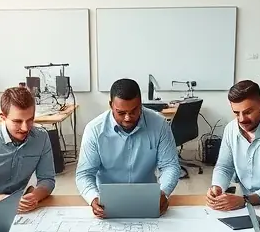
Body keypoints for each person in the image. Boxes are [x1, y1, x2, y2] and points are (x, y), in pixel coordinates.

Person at [76, 78, 181, 218]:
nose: (127, 118)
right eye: (121, 112)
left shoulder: (159, 124)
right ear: (111, 105)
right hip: (107, 203)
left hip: (148, 201)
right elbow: (85, 173)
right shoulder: (94, 130)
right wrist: (93, 198)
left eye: (133, 111)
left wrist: (163, 192)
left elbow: (170, 166)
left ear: (141, 104)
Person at [206, 80, 260, 211]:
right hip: (245, 202)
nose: (242, 119)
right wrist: (217, 187)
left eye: (248, 112)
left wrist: (245, 200)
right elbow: (224, 167)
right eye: (236, 113)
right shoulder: (230, 129)